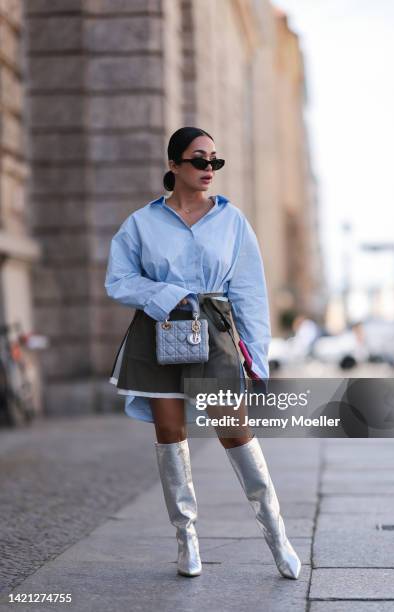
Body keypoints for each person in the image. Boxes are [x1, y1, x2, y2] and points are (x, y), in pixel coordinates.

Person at [104, 127, 301, 580]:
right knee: (170, 435)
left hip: (212, 335)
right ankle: (187, 541)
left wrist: (256, 356)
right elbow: (118, 280)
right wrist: (166, 293)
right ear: (173, 166)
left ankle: (278, 538)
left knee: (235, 431)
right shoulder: (141, 223)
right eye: (198, 160)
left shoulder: (233, 222)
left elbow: (250, 293)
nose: (208, 169)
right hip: (158, 333)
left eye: (215, 161)